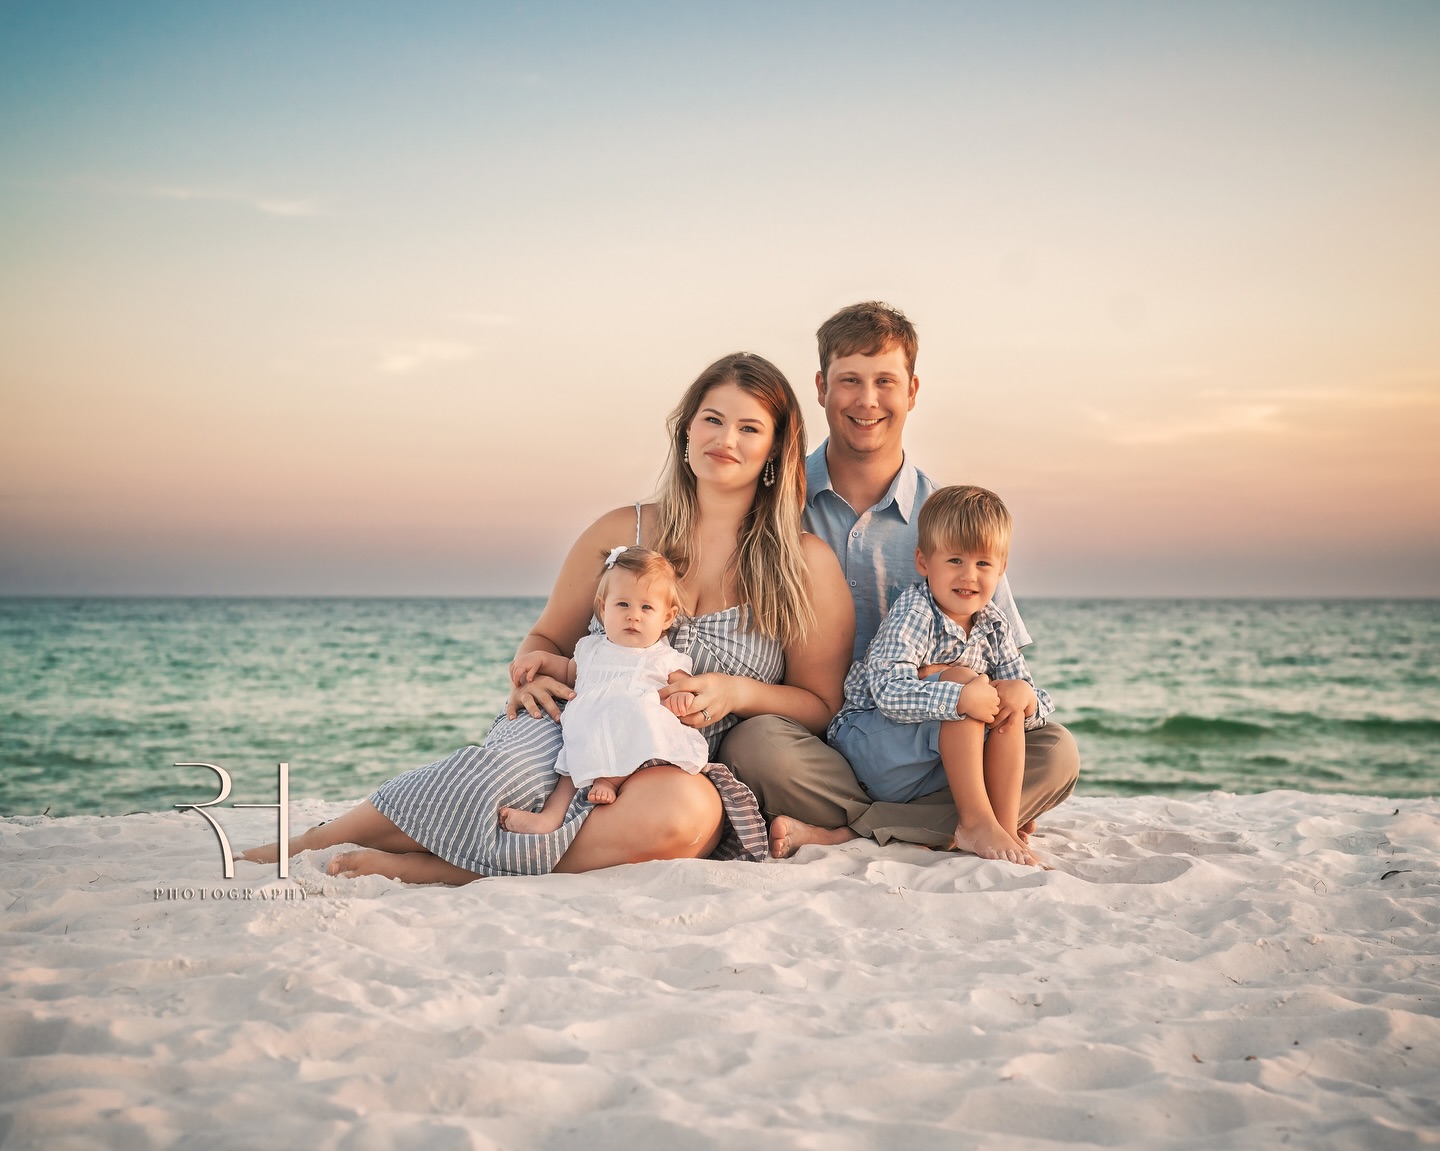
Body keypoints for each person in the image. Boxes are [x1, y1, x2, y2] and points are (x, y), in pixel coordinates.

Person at [240, 352, 854, 884]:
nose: (728, 438)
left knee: (689, 819)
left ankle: (447, 871)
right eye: (713, 419)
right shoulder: (622, 531)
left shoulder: (804, 563)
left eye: (751, 427)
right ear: (685, 433)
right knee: (503, 771)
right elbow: (546, 638)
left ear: (776, 449)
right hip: (576, 725)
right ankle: (309, 843)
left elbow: (820, 704)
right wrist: (530, 671)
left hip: (669, 756)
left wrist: (736, 692)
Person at [718, 302, 1080, 859]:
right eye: (849, 381)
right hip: (818, 742)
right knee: (754, 743)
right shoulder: (774, 506)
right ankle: (950, 825)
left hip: (936, 744)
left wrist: (1013, 696)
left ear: (912, 390)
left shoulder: (950, 523)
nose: (867, 401)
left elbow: (997, 655)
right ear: (820, 387)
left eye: (885, 381)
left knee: (1055, 752)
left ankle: (854, 830)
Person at [828, 485, 1053, 866]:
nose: (969, 576)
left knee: (1015, 695)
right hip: (873, 748)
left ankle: (1003, 823)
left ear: (1001, 570)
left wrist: (1025, 700)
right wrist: (958, 693)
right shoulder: (916, 611)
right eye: (954, 561)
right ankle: (974, 822)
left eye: (983, 564)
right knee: (965, 682)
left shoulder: (994, 626)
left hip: (934, 764)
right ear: (924, 562)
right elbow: (887, 691)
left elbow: (1033, 700)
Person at [497, 546, 710, 833]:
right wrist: (542, 659)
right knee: (569, 770)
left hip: (637, 733)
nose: (633, 616)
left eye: (646, 608)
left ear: (667, 618)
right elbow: (570, 672)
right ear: (602, 608)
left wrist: (683, 697)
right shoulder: (591, 649)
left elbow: (685, 687)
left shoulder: (662, 657)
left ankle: (612, 781)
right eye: (623, 605)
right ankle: (549, 818)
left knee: (634, 735)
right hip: (590, 729)